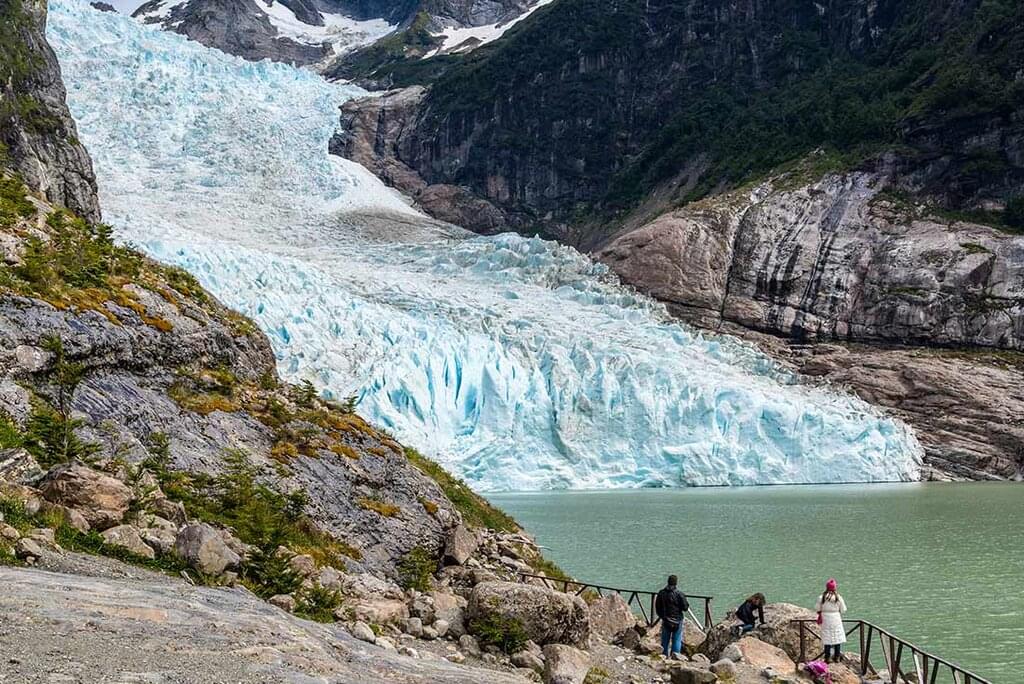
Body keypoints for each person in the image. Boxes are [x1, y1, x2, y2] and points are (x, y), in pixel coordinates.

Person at [655, 574, 689, 658]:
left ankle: (664, 656)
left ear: (668, 582)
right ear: (676, 583)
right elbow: (685, 607)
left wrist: (662, 616)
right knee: (677, 640)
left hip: (666, 619)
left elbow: (657, 607)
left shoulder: (661, 593)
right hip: (677, 620)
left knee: (665, 640)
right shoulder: (679, 594)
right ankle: (676, 657)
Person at [815, 578, 848, 663]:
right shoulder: (838, 597)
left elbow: (817, 608)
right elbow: (843, 609)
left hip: (826, 618)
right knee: (837, 637)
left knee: (827, 638)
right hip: (836, 618)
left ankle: (827, 657)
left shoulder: (821, 597)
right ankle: (837, 657)